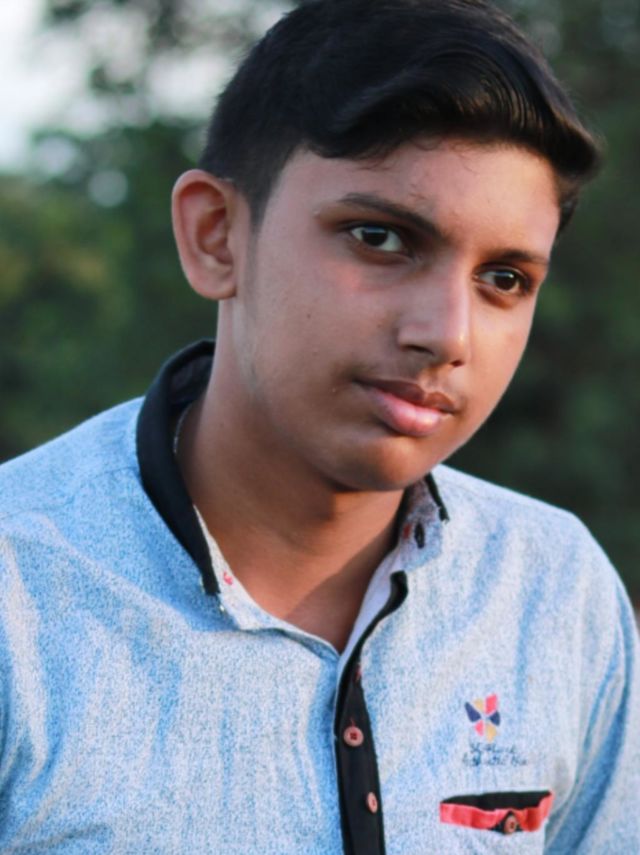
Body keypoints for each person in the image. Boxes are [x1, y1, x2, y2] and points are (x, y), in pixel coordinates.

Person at [0, 0, 638, 851]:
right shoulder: (21, 598)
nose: (448, 334)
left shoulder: (554, 592)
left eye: (504, 278)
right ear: (216, 235)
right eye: (381, 238)